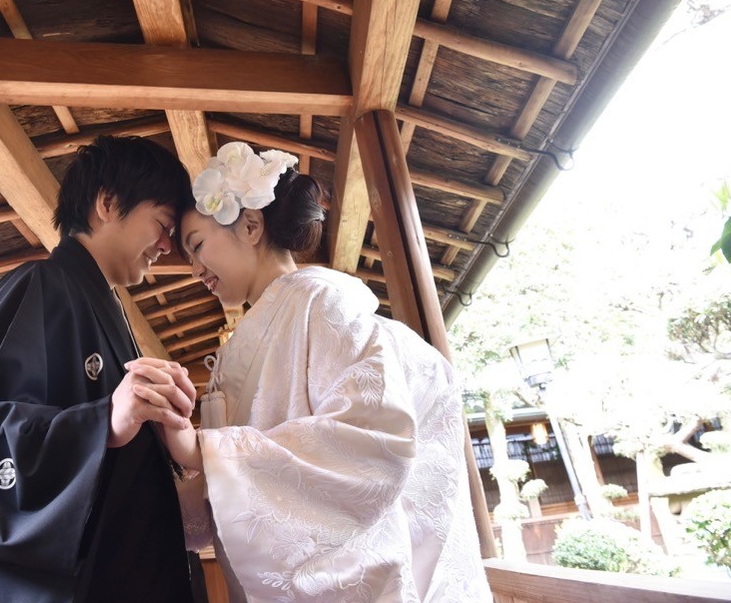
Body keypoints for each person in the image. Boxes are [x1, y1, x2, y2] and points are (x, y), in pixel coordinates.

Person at [164, 141, 492, 602]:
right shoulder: (246, 338)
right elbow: (228, 496)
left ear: (252, 225)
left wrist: (204, 449)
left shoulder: (323, 301)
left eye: (197, 246)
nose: (195, 269)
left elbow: (369, 438)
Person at [0, 135, 200, 602]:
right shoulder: (41, 285)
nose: (166, 246)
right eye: (161, 224)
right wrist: (105, 422)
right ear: (108, 202)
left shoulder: (108, 306)